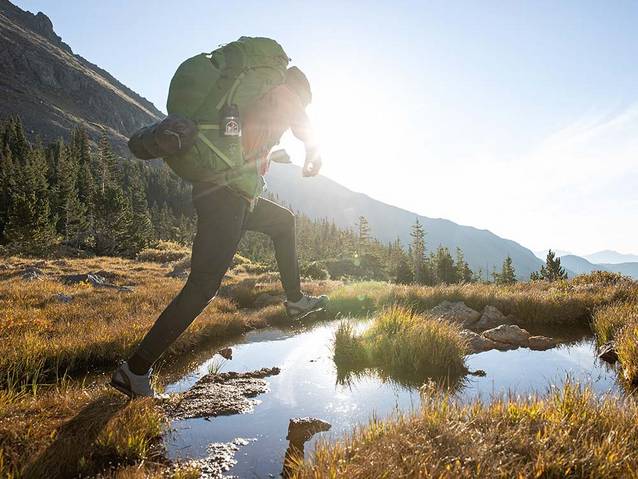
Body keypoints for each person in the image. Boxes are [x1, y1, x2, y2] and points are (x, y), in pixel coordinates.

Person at [111, 65, 328, 398]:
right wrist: (313, 149)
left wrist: (269, 156)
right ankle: (136, 369)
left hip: (236, 198)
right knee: (202, 287)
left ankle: (295, 299)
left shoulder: (258, 102)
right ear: (297, 91)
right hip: (224, 198)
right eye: (303, 102)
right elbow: (299, 118)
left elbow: (252, 142)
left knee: (284, 221)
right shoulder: (285, 92)